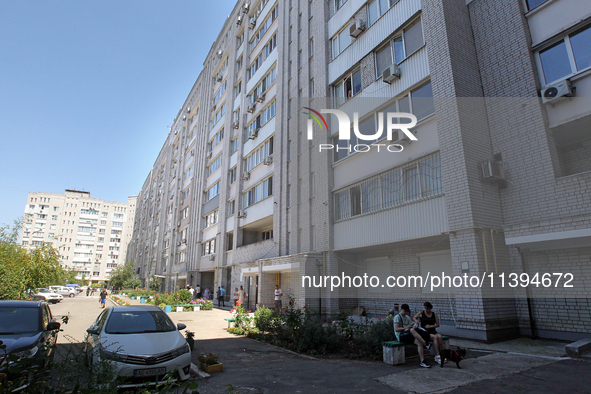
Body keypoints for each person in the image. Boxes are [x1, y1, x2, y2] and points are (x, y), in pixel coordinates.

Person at [393, 304, 430, 368]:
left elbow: (411, 326)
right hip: (400, 335)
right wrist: (405, 328)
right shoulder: (397, 317)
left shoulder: (407, 317)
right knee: (412, 330)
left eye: (407, 311)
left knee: (419, 342)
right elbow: (396, 329)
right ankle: (425, 344)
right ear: (401, 309)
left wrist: (412, 326)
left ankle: (422, 361)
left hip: (408, 334)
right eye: (405, 311)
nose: (406, 313)